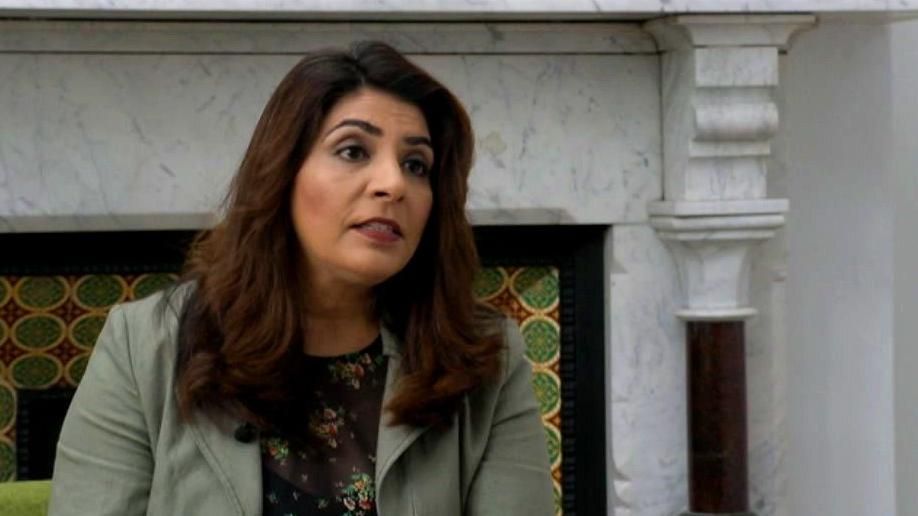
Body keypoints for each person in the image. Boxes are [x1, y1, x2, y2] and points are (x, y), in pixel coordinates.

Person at [48, 41, 554, 516]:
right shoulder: (143, 346)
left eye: (416, 164)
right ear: (282, 174)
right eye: (354, 151)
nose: (393, 184)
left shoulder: (485, 359)